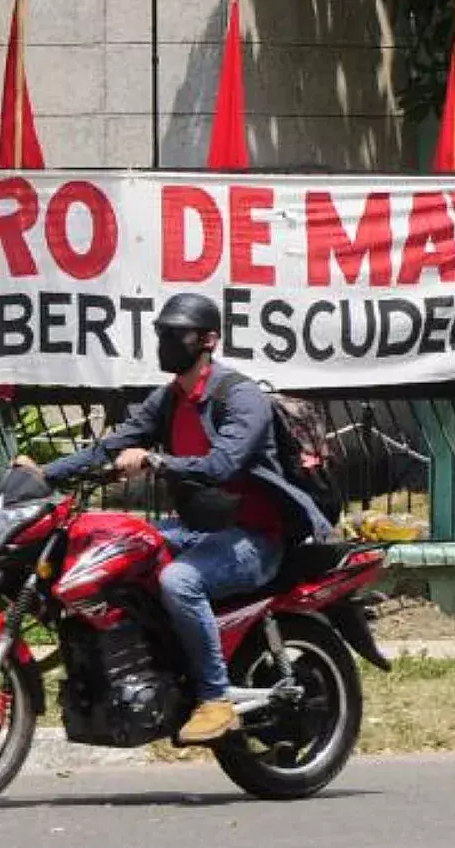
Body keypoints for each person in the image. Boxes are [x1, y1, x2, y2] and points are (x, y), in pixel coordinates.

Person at [16, 293, 332, 745]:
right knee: (118, 551)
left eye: (176, 334)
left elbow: (224, 464)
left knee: (179, 582)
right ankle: (151, 670)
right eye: (162, 333)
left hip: (254, 537)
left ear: (208, 341)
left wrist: (157, 462)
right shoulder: (169, 399)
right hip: (199, 529)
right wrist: (43, 474)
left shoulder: (241, 397)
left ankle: (215, 698)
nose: (166, 342)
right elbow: (112, 444)